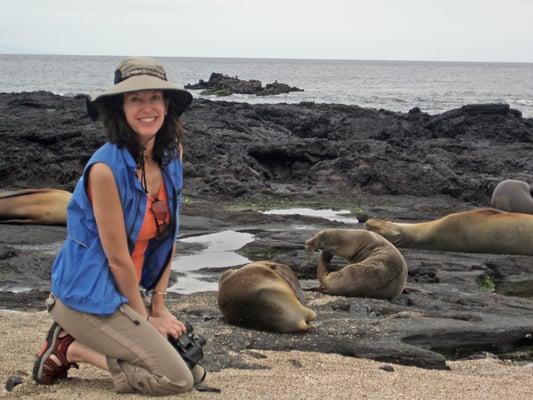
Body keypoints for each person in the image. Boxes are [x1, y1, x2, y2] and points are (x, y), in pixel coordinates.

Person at [32, 56, 206, 395]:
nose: (147, 108)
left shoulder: (173, 156)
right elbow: (116, 259)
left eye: (154, 97)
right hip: (87, 295)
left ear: (167, 105)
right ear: (120, 108)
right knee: (176, 379)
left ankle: (85, 341)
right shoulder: (105, 170)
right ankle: (68, 347)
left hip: (126, 294)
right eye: (135, 99)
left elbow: (170, 236)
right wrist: (145, 320)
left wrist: (160, 306)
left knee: (195, 371)